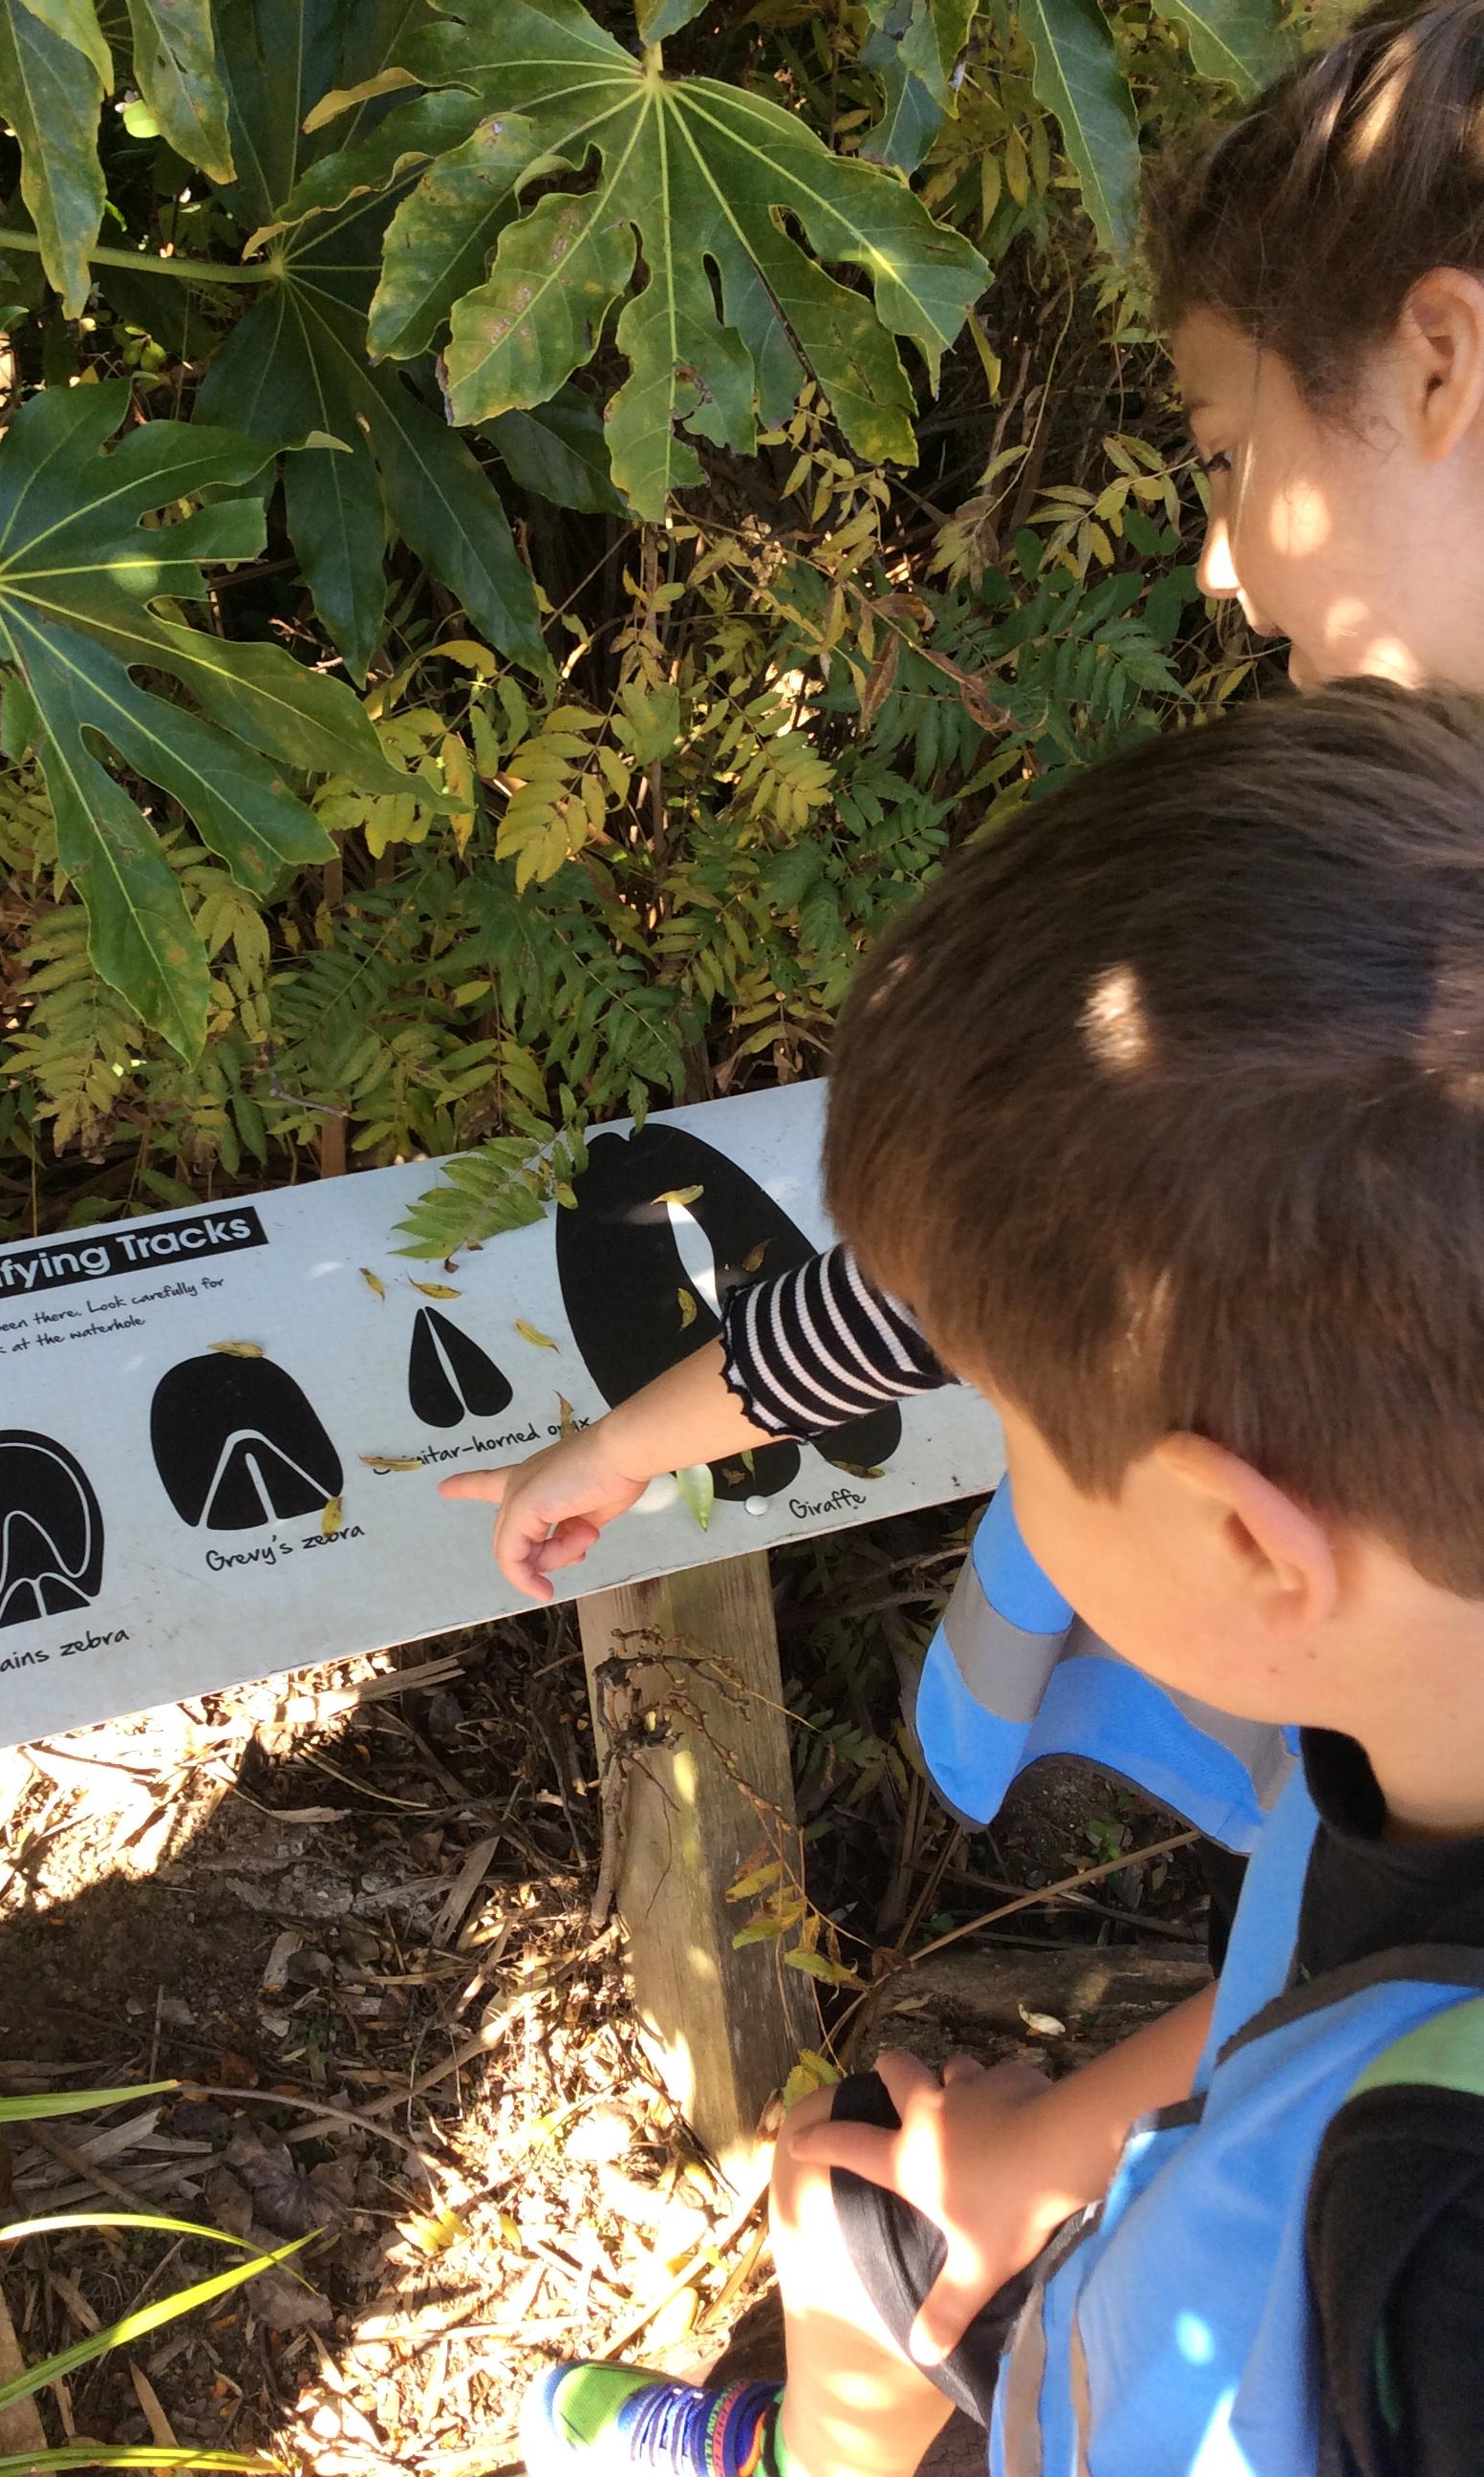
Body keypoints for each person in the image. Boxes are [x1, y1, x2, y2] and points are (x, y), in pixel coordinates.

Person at [442, 0, 1484, 1889]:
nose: (1218, 567)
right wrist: (642, 1440)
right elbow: (1024, 1238)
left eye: (1224, 451)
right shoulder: (1381, 880)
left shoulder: (1387, 908)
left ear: (1437, 365)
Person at [519, 680, 1484, 2477]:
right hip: (1179, 2252)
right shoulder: (1434, 1713)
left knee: (850, 2243)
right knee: (856, 2196)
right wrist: (1076, 2139)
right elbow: (1344, 1973)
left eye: (1016, 1428)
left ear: (1247, 1542)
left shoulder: (1444, 2278)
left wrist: (881, 2399)